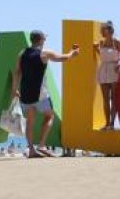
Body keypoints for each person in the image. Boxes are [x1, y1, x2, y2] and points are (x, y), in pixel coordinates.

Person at [12, 30, 80, 158]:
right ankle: (42, 145)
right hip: (40, 93)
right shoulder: (44, 53)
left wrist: (14, 89)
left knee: (30, 122)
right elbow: (63, 58)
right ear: (41, 39)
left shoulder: (22, 53)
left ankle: (31, 150)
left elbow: (17, 72)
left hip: (25, 93)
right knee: (49, 116)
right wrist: (73, 53)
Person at [92, 21, 120, 130]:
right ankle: (107, 123)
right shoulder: (101, 43)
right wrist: (96, 49)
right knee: (105, 99)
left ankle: (112, 123)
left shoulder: (116, 42)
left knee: (114, 98)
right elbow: (103, 55)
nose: (102, 32)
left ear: (109, 31)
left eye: (103, 30)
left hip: (114, 69)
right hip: (103, 70)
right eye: (101, 30)